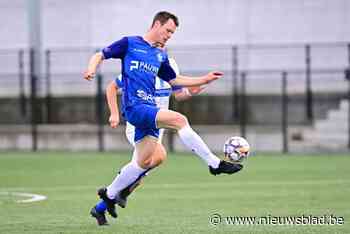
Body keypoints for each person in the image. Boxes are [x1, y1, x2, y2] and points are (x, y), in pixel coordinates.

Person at [84, 11, 243, 226]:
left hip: (150, 114)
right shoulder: (130, 43)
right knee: (180, 120)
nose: (169, 35)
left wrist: (204, 79)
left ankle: (109, 196)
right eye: (168, 30)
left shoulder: (160, 56)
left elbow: (175, 80)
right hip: (136, 108)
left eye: (172, 33)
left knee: (144, 162)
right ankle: (214, 164)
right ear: (156, 24)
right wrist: (92, 69)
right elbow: (100, 55)